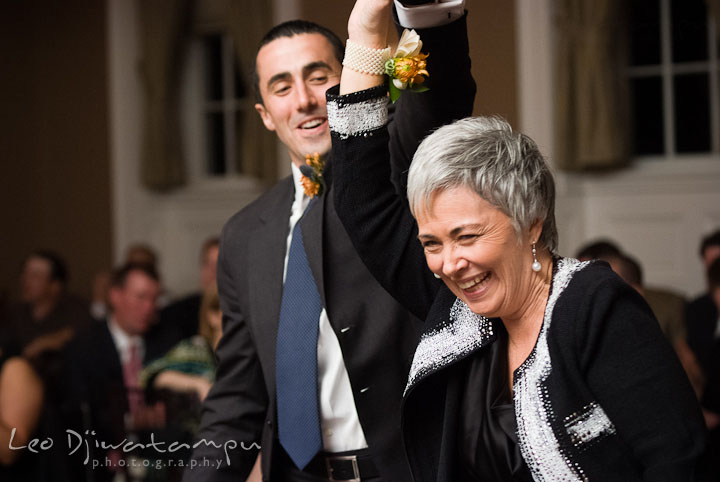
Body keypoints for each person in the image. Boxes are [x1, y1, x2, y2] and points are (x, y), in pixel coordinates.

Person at [330, 50, 705, 479]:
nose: (450, 263)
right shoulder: (456, 306)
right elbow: (360, 200)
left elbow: (679, 463)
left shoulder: (594, 306)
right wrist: (363, 35)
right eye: (431, 243)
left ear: (530, 224)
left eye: (467, 236)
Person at [184, 0, 475, 480]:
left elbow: (439, 101)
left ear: (354, 78)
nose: (303, 99)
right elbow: (238, 395)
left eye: (319, 76)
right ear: (264, 114)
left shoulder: (401, 176)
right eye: (282, 87)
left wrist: (425, 15)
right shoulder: (242, 234)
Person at [64, 263, 168, 481]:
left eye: (154, 299)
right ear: (116, 296)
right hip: (99, 462)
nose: (148, 308)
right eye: (140, 298)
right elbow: (77, 412)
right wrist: (128, 421)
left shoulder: (165, 343)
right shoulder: (85, 346)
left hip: (157, 459)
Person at [159, 236, 220, 342]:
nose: (212, 272)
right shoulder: (174, 315)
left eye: (219, 266)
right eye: (207, 264)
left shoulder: (242, 315)